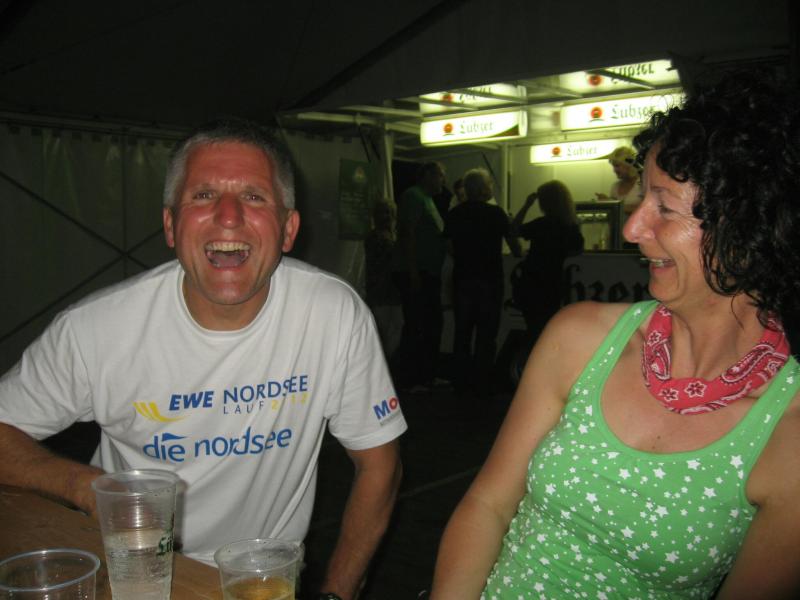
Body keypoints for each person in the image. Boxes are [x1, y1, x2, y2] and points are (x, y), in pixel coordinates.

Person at [0, 118, 407, 600]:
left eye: (254, 196)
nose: (229, 216)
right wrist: (84, 486)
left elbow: (379, 464)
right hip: (137, 573)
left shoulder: (332, 315)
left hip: (261, 582)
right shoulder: (96, 330)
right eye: (203, 195)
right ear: (170, 225)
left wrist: (337, 593)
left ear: (289, 229)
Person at [431, 71, 800, 599]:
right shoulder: (580, 336)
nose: (632, 228)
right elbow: (488, 504)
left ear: (748, 227)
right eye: (641, 199)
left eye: (663, 206)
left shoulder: (788, 431)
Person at [443, 168, 521, 397]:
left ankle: (460, 382)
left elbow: (448, 247)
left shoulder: (455, 214)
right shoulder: (496, 213)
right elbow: (515, 247)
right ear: (483, 188)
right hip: (489, 279)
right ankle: (482, 382)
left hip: (463, 279)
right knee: (487, 334)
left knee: (462, 333)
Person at [391, 161, 447, 392]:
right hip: (417, 272)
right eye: (440, 175)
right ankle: (410, 378)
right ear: (428, 175)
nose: (443, 180)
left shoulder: (428, 200)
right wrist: (412, 270)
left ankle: (425, 376)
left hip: (427, 271)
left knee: (430, 323)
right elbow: (408, 233)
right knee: (418, 324)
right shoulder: (413, 197)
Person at [510, 180, 583, 344]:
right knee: (548, 329)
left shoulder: (540, 224)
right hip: (553, 283)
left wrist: (526, 205)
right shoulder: (569, 226)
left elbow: (513, 230)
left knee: (533, 329)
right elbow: (578, 249)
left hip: (531, 282)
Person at [364, 199, 402, 357]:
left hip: (394, 291)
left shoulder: (394, 236)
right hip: (380, 292)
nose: (387, 216)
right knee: (382, 330)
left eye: (390, 212)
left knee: (397, 327)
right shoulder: (374, 238)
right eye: (383, 212)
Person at [596, 145, 643, 216]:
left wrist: (611, 203)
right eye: (613, 166)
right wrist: (606, 203)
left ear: (629, 165)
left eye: (617, 166)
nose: (614, 170)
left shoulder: (642, 184)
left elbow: (646, 210)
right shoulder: (615, 187)